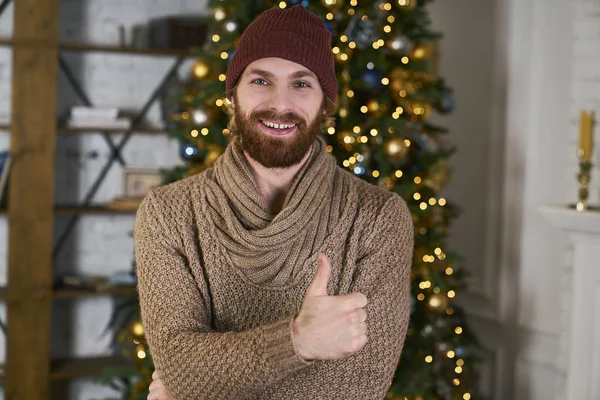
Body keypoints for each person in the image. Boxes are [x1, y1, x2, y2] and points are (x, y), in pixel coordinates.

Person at [135, 5, 414, 400]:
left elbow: (358, 386)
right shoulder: (168, 213)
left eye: (301, 84)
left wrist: (203, 385)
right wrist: (300, 341)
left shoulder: (377, 217)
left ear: (325, 104)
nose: (280, 104)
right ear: (233, 95)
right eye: (261, 80)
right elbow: (177, 362)